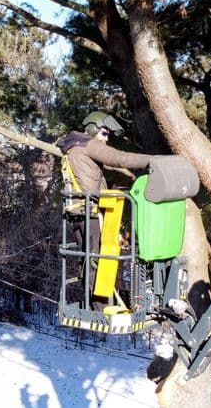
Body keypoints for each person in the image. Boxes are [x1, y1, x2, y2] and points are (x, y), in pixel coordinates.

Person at [56, 112, 152, 305]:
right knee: (98, 261)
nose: (106, 139)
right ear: (92, 129)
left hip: (81, 212)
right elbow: (120, 158)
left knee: (91, 259)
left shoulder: (75, 147)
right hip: (89, 212)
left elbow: (88, 178)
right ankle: (100, 307)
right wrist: (154, 161)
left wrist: (110, 187)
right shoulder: (88, 145)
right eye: (104, 133)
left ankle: (95, 303)